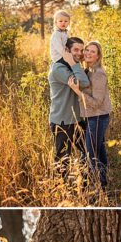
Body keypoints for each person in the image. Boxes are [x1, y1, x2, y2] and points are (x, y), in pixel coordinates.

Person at [48, 37, 91, 180]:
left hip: (76, 120)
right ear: (67, 50)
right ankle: (61, 188)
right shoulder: (59, 68)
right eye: (75, 50)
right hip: (62, 122)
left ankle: (84, 181)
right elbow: (84, 82)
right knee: (63, 159)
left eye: (81, 50)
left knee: (89, 150)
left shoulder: (72, 66)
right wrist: (74, 63)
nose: (79, 53)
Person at [73, 40, 112, 190]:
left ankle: (93, 186)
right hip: (92, 118)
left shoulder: (99, 74)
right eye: (87, 50)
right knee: (99, 151)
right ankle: (103, 184)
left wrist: (77, 91)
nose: (88, 53)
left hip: (98, 117)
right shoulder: (88, 71)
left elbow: (96, 103)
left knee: (90, 153)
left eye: (92, 51)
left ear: (98, 56)